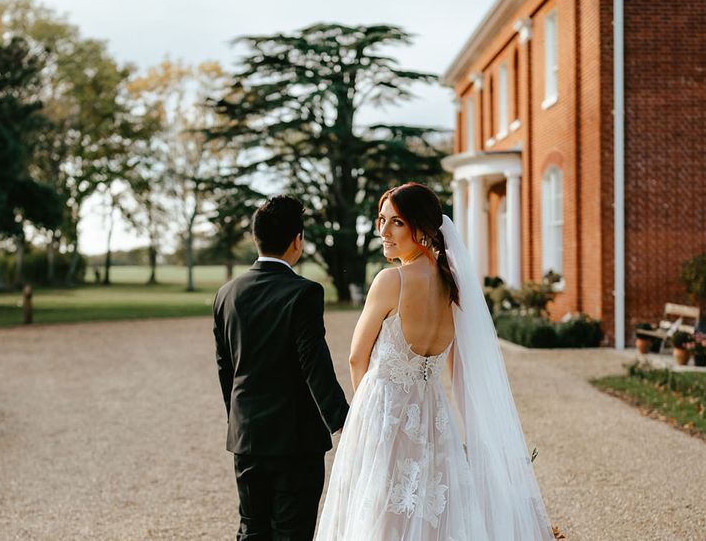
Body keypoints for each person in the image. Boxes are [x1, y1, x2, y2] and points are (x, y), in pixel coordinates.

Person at [316, 182, 554, 540]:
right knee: (430, 516)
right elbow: (461, 372)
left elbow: (355, 357)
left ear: (423, 228)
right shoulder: (454, 286)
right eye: (382, 220)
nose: (383, 231)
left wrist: (367, 420)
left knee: (379, 516)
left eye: (396, 222)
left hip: (383, 413)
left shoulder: (390, 281)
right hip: (433, 417)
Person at [212, 195, 349, 541]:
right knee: (292, 533)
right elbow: (313, 362)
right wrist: (343, 421)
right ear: (297, 240)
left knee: (252, 529)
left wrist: (239, 417)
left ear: (256, 238)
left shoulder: (227, 293)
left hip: (246, 436)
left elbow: (224, 366)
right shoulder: (304, 293)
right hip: (295, 440)